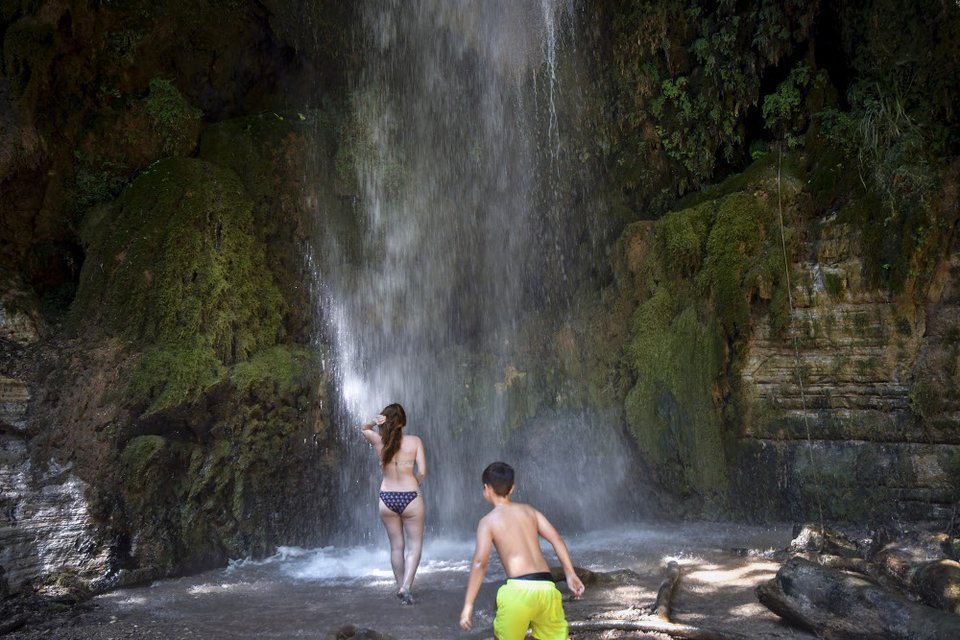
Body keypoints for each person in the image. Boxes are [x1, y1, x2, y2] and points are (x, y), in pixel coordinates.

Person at [459, 461, 585, 639]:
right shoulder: (530, 511)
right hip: (547, 589)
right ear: (512, 489)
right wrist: (570, 573)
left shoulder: (487, 522)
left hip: (518, 591)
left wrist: (469, 604)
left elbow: (480, 563)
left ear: (486, 489)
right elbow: (556, 539)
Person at [360, 403, 426, 605]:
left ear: (385, 421)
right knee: (414, 546)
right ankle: (406, 587)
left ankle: (400, 587)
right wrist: (415, 484)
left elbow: (364, 428)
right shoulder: (414, 441)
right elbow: (422, 471)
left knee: (396, 547)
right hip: (410, 497)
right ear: (403, 422)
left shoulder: (379, 441)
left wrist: (374, 420)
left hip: (387, 498)